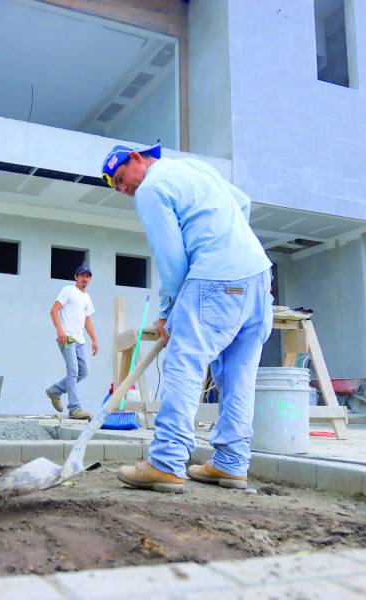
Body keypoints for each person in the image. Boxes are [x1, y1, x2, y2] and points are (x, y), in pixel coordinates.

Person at [102, 143, 273, 494]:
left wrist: (168, 312)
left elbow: (172, 259)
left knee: (184, 363)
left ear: (137, 159)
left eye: (121, 179)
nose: (123, 189)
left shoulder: (150, 188)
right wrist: (233, 247)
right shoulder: (194, 168)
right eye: (117, 187)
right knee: (238, 376)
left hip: (214, 277)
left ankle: (165, 463)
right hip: (258, 278)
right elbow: (242, 203)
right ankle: (231, 464)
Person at [44, 265, 98, 420]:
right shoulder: (68, 290)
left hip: (80, 340)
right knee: (73, 371)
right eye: (82, 276)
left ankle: (55, 390)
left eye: (87, 276)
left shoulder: (87, 297)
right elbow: (54, 310)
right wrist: (60, 331)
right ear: (76, 277)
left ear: (90, 279)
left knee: (84, 372)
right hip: (67, 337)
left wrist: (94, 340)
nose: (84, 279)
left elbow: (88, 320)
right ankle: (75, 408)